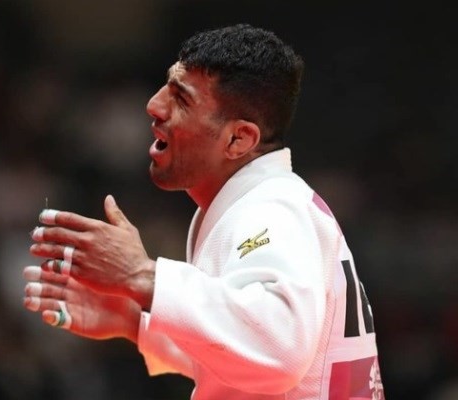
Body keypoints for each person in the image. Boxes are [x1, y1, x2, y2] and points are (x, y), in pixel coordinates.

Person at [22, 24, 385, 399]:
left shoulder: (271, 209)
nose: (154, 105)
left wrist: (143, 276)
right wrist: (135, 322)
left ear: (238, 138)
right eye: (167, 86)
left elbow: (278, 352)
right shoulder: (261, 202)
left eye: (181, 99)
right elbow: (243, 360)